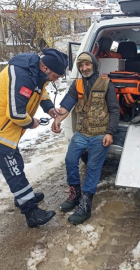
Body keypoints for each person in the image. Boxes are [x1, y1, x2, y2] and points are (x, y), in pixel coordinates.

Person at [0, 49, 68, 228]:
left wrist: (49, 108)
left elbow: (40, 91)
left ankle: (21, 196)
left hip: (3, 127)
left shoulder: (36, 71)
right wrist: (32, 123)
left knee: (16, 163)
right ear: (45, 67)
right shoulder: (23, 75)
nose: (55, 80)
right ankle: (31, 212)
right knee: (13, 169)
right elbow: (16, 113)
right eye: (54, 76)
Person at [52, 52, 119, 225]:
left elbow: (114, 110)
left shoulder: (106, 83)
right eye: (81, 65)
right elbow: (68, 103)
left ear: (94, 65)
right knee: (70, 160)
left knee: (93, 168)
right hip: (82, 132)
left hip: (99, 133)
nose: (84, 68)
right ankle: (75, 195)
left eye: (87, 65)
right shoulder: (78, 84)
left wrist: (110, 132)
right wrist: (58, 119)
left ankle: (86, 205)